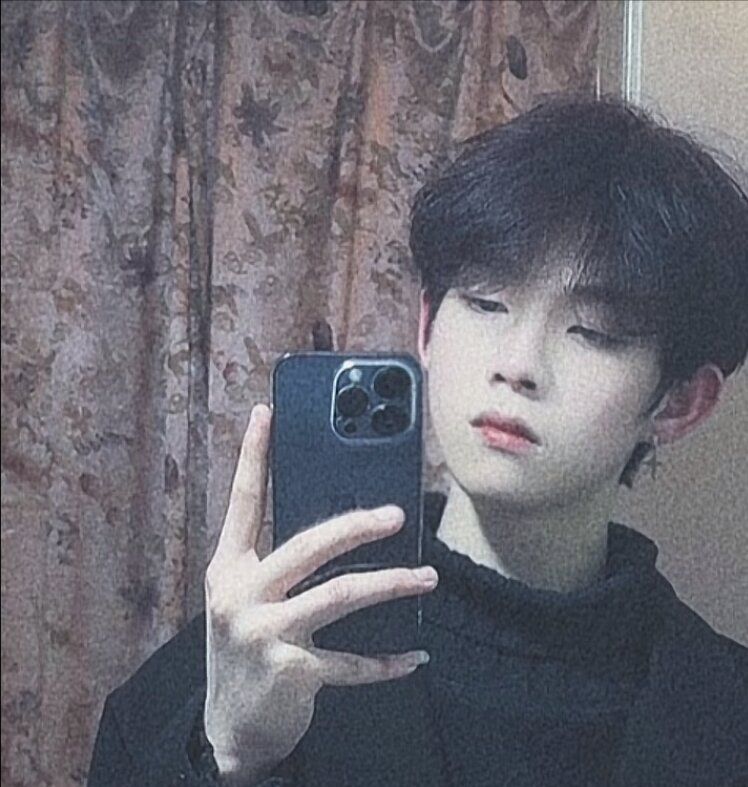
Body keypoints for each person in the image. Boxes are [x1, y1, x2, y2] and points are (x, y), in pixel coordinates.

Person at [88, 95, 748, 786]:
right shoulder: (264, 651)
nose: (517, 364)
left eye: (593, 332)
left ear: (680, 402)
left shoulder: (721, 712)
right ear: (428, 327)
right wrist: (227, 754)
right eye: (487, 302)